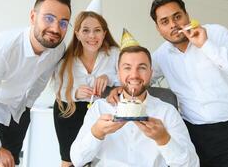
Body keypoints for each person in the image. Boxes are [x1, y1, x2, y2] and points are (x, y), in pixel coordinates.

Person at [149, 0, 228, 167]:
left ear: (187, 15)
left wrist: (207, 46)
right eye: (165, 21)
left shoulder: (217, 34)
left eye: (177, 16)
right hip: (191, 134)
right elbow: (138, 78)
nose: (173, 24)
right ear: (159, 29)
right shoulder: (160, 56)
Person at [0, 0, 71, 167]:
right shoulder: (1, 49)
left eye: (63, 23)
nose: (55, 29)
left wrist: (27, 106)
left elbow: (42, 78)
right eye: (49, 18)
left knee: (12, 163)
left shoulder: (58, 49)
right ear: (33, 16)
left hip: (18, 113)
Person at [70, 45, 199, 167]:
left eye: (142, 67)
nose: (134, 75)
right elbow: (77, 160)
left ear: (150, 73)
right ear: (119, 73)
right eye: (127, 68)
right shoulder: (100, 108)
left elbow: (192, 164)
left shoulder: (167, 112)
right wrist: (96, 133)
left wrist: (164, 139)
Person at [53, 10, 120, 167]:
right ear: (77, 34)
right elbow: (58, 90)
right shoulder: (66, 61)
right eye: (85, 30)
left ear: (104, 33)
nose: (92, 36)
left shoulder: (115, 55)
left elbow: (127, 78)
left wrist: (109, 78)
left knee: (96, 158)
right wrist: (75, 92)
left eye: (97, 30)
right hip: (70, 111)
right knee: (70, 160)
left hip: (101, 112)